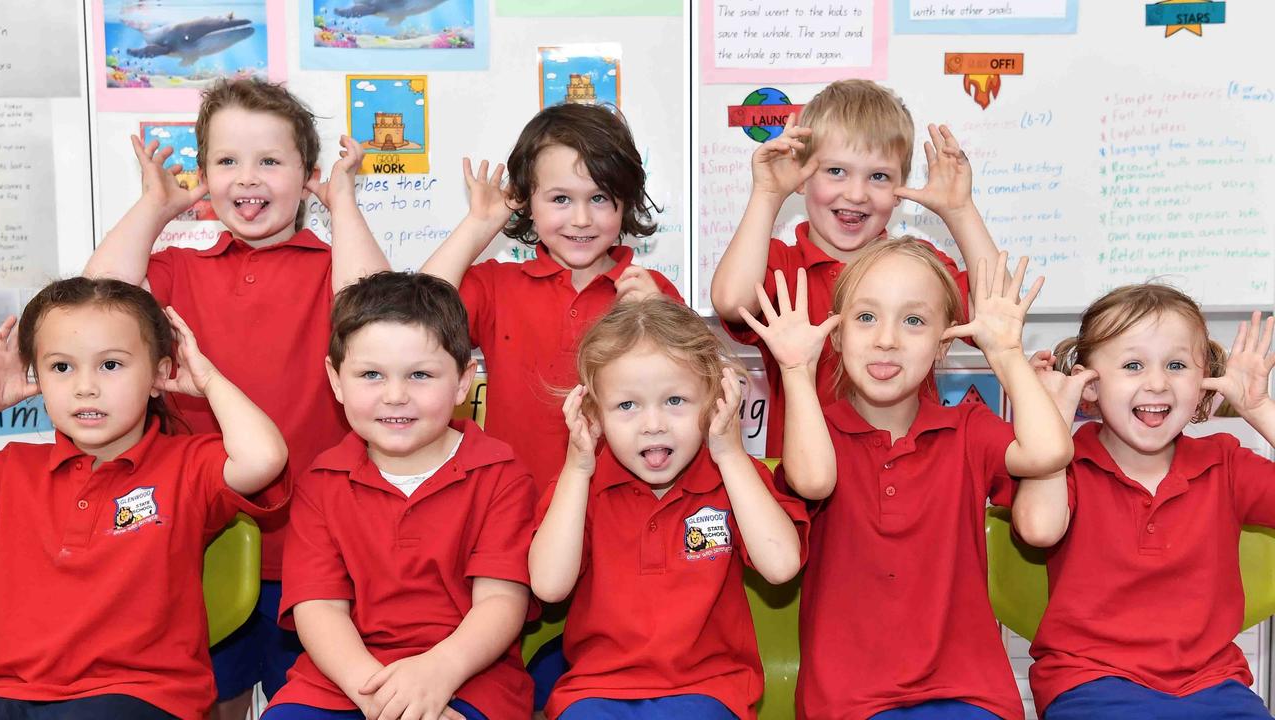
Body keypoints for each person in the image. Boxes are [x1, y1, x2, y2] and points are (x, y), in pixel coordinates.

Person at [83, 78, 391, 714]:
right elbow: (93, 303)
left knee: (304, 700)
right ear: (203, 175)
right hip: (197, 536)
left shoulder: (330, 266)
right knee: (209, 700)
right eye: (227, 161)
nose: (247, 178)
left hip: (313, 542)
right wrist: (155, 208)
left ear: (307, 175)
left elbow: (379, 321)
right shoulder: (179, 270)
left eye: (270, 161)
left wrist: (345, 205)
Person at [744, 241, 1072, 719]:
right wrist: (795, 369)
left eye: (913, 321)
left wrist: (1005, 353)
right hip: (848, 703)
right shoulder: (817, 436)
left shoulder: (968, 428)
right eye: (866, 318)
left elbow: (1050, 451)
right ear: (834, 335)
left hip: (969, 695)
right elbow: (814, 480)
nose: (887, 340)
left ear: (943, 344)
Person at [0, 277, 288, 719]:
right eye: (61, 367)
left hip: (138, 693)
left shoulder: (189, 465)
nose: (85, 387)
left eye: (110, 365)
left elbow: (265, 458)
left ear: (159, 375)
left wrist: (207, 380)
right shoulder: (11, 467)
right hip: (9, 688)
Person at [264, 271, 536, 720]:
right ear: (336, 380)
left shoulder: (501, 475)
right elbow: (320, 609)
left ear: (464, 381)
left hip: (468, 675)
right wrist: (378, 698)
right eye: (371, 374)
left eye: (420, 375)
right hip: (345, 678)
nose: (395, 396)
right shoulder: (320, 481)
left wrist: (439, 672)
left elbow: (501, 603)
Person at [529, 297, 808, 719]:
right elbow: (549, 586)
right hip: (594, 692)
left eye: (675, 401)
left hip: (708, 692)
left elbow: (781, 565)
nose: (653, 423)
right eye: (627, 405)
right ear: (594, 415)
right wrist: (577, 469)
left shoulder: (734, 477)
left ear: (715, 402)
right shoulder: (579, 486)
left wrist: (730, 455)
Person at [1013, 285, 1275, 719]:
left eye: (1176, 365)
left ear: (1203, 380)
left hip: (1214, 685)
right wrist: (1053, 421)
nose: (1157, 383)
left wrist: (1261, 409)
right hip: (1089, 682)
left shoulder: (1226, 463)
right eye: (1133, 365)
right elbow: (1039, 529)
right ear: (1089, 385)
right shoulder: (1067, 462)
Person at [711, 79, 1001, 457]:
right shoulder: (782, 265)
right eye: (836, 171)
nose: (857, 193)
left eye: (878, 176)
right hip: (804, 495)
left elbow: (998, 316)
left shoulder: (919, 268)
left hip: (909, 480)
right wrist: (767, 194)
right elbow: (731, 300)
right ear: (801, 176)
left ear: (900, 188)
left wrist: (961, 212)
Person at [421, 103, 680, 493]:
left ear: (625, 201)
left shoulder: (650, 291)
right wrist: (478, 226)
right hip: (517, 505)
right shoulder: (496, 286)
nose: (580, 219)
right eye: (560, 199)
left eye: (599, 198)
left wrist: (657, 319)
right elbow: (414, 317)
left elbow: (690, 396)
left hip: (622, 512)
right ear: (526, 200)